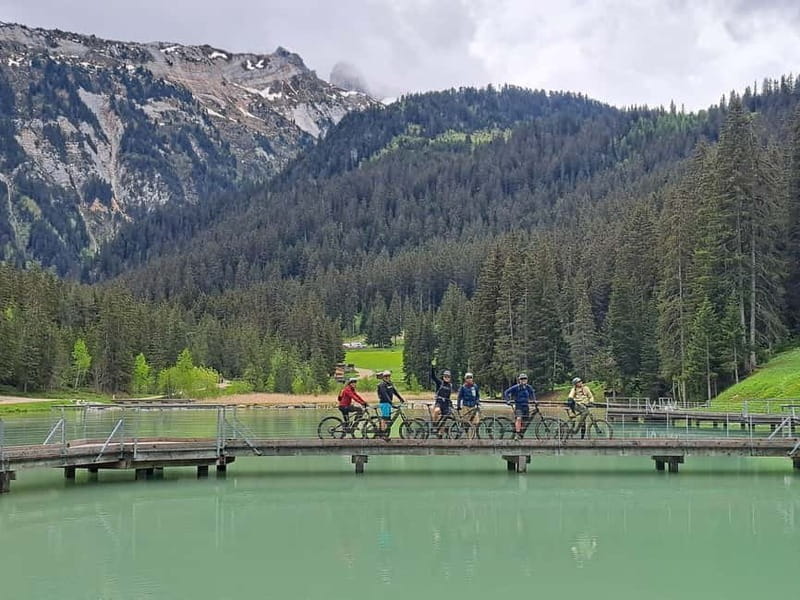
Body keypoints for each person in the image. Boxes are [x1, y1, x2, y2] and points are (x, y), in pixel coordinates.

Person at [503, 374, 537, 440]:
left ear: (527, 380)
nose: (523, 380)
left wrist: (534, 400)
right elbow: (506, 392)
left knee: (525, 421)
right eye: (522, 379)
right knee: (519, 418)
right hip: (518, 406)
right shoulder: (516, 387)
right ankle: (517, 434)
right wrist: (508, 400)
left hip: (526, 406)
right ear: (519, 380)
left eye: (525, 379)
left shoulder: (528, 387)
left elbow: (532, 393)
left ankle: (521, 434)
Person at [377, 370, 404, 438]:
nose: (387, 377)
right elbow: (385, 394)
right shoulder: (382, 385)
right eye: (385, 376)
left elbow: (394, 391)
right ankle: (382, 433)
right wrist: (391, 402)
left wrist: (401, 398)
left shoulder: (390, 384)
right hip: (384, 403)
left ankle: (385, 433)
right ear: (383, 377)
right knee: (385, 418)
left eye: (388, 376)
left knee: (388, 419)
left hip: (388, 403)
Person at [457, 372, 480, 438]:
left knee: (476, 421)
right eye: (468, 378)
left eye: (470, 378)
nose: (469, 379)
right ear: (465, 379)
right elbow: (459, 397)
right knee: (466, 422)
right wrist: (458, 405)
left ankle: (473, 435)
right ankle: (467, 436)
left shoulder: (475, 386)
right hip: (465, 406)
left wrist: (477, 401)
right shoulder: (463, 387)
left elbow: (477, 395)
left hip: (473, 406)